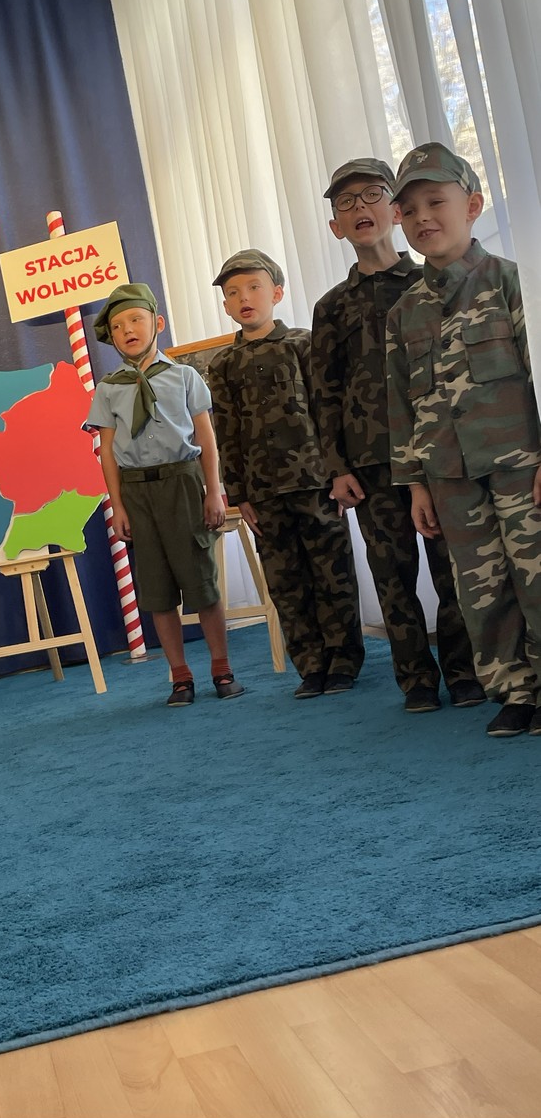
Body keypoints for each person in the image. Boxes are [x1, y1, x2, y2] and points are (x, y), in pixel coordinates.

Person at [310, 158, 483, 714]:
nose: (360, 208)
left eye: (371, 195)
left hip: (437, 452)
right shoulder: (330, 307)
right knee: (392, 576)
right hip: (369, 462)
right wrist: (336, 468)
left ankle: (464, 672)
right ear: (336, 226)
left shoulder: (429, 282)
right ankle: (415, 681)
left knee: (452, 567)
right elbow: (323, 394)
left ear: (396, 209)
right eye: (345, 203)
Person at [386, 141, 541, 738]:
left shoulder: (511, 281)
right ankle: (515, 692)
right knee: (482, 590)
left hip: (519, 466)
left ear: (472, 205)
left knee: (536, 577)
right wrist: (415, 485)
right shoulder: (404, 314)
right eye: (409, 209)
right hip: (449, 476)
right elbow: (401, 405)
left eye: (436, 201)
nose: (422, 217)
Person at [208, 249, 364, 699]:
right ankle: (310, 666)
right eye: (233, 292)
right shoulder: (222, 364)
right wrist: (239, 493)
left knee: (332, 573)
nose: (244, 298)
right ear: (225, 304)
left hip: (315, 482)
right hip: (263, 492)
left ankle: (343, 661)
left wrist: (338, 471)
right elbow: (226, 431)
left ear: (276, 293)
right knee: (285, 581)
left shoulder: (302, 344)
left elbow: (326, 412)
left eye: (254, 287)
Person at [85, 282, 245, 706]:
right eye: (117, 326)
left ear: (157, 323)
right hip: (137, 492)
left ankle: (221, 668)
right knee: (156, 590)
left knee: (202, 581)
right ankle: (180, 677)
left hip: (183, 483)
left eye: (135, 320)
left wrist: (214, 491)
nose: (127, 330)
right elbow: (107, 453)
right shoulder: (108, 388)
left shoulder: (184, 376)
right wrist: (117, 506)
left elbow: (206, 439)